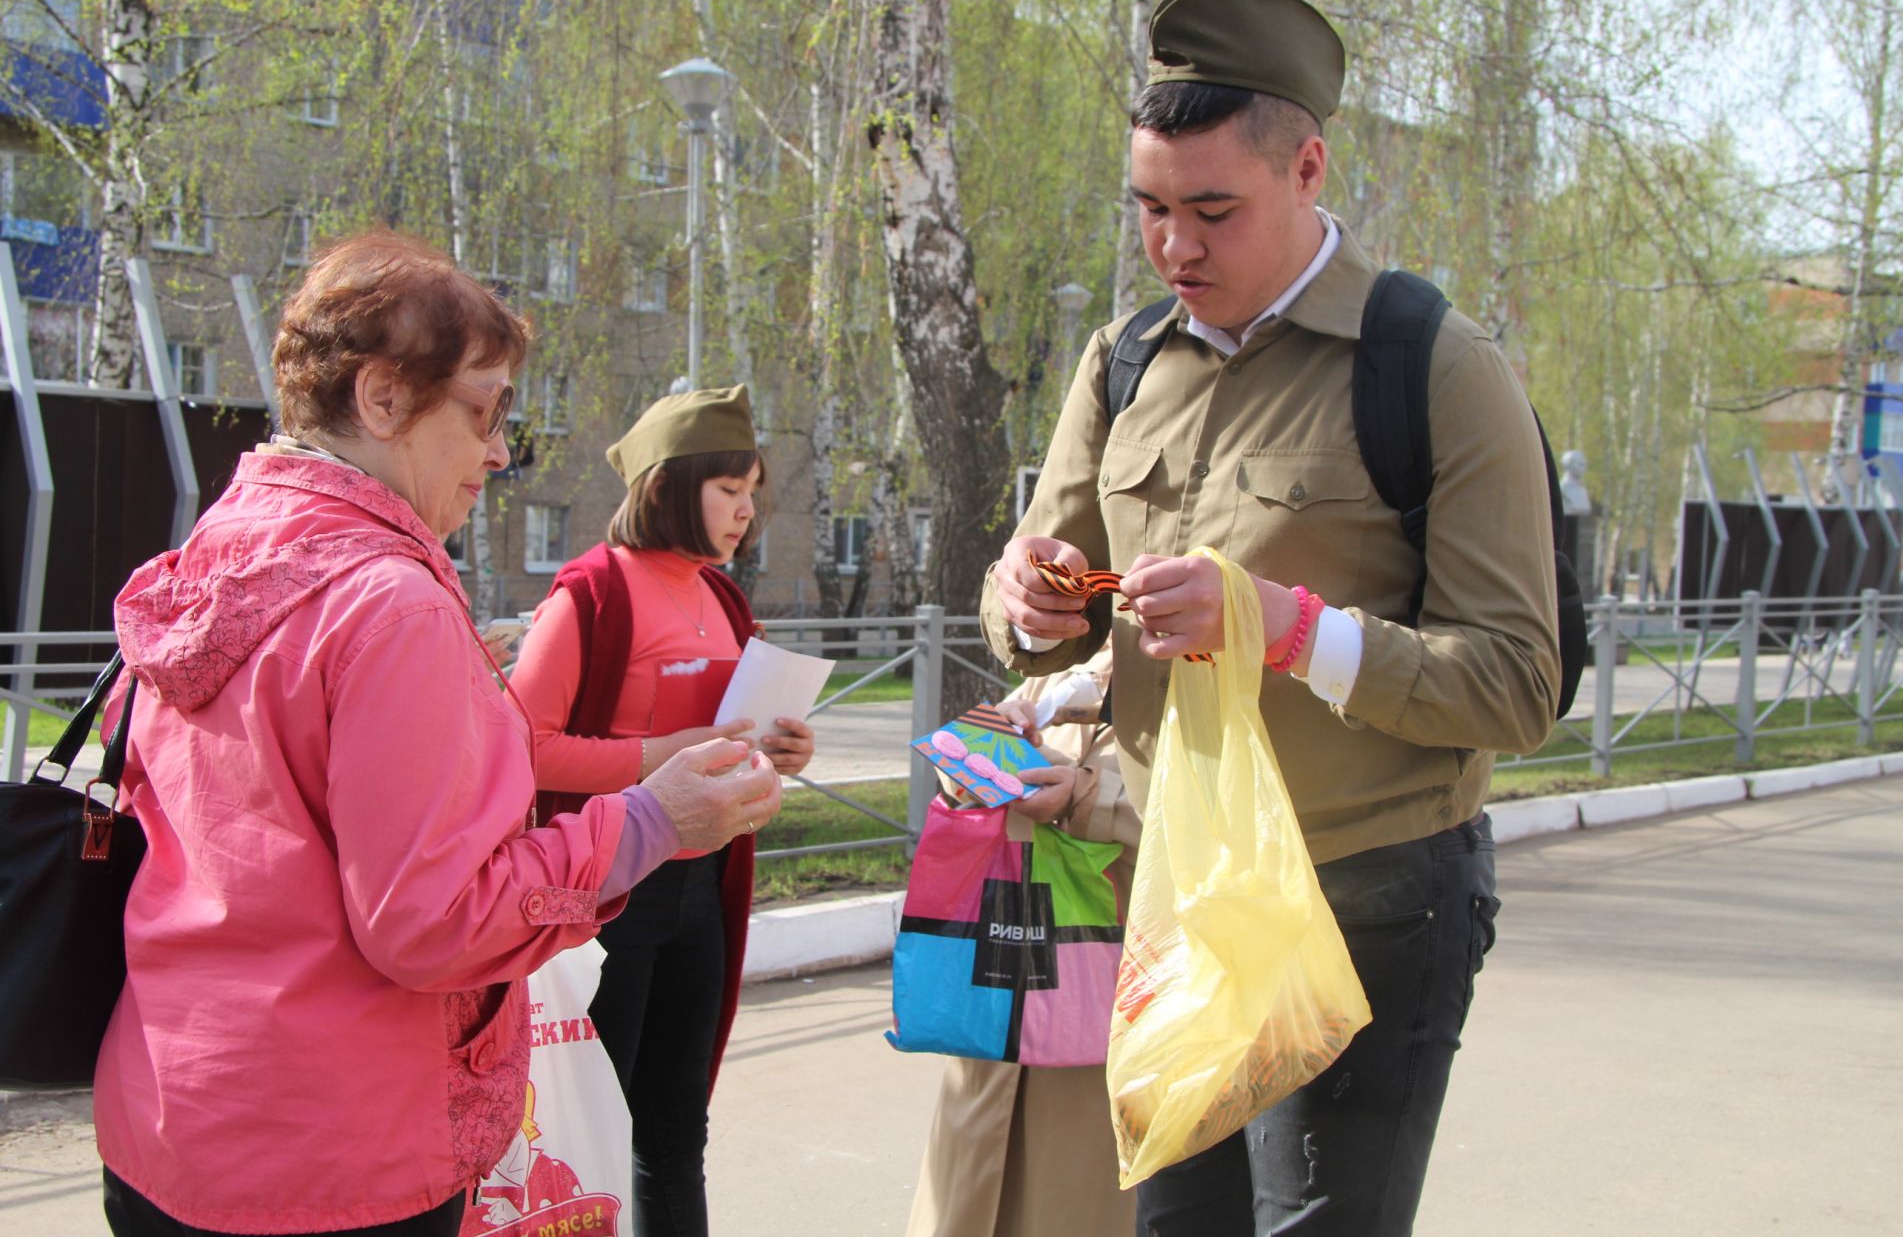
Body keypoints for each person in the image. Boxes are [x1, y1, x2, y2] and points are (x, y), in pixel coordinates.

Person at [983, 0, 1560, 1237]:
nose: (1175, 245)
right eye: (1148, 208)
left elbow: (1517, 680)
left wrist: (1287, 626)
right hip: (1176, 885)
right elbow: (1057, 578)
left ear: (1308, 167)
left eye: (1211, 209)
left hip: (1365, 893)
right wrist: (1026, 596)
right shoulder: (1124, 360)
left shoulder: (1432, 365)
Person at [95, 231, 781, 1237]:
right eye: (483, 409)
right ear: (381, 399)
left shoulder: (222, 550)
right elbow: (433, 918)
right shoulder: (390, 602)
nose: (500, 450)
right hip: (335, 1152)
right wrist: (649, 819)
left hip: (173, 1119)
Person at [510, 384, 815, 1237]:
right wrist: (662, 755)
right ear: (666, 487)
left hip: (704, 886)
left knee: (678, 1132)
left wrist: (780, 751)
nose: (747, 511)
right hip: (608, 891)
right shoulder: (589, 594)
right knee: (583, 1135)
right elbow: (523, 743)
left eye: (754, 492)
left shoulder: (722, 599)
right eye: (730, 490)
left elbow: (727, 736)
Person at [906, 644, 1138, 1237]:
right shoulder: (1067, 673)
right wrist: (979, 751)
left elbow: (1228, 824)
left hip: (1119, 980)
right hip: (1004, 971)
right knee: (968, 1185)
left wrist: (1086, 798)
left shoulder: (1202, 676)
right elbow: (968, 779)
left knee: (1074, 1194)